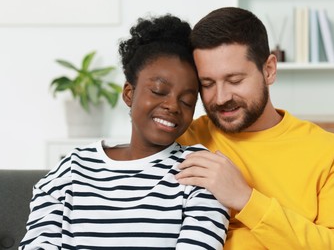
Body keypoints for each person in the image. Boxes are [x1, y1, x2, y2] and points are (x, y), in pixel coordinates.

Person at [19, 14, 229, 249]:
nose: (173, 106)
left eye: (188, 101)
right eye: (159, 91)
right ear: (129, 93)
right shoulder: (71, 168)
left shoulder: (198, 171)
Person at [175, 7, 334, 249]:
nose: (221, 97)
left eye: (235, 80)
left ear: (269, 70)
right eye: (208, 83)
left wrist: (246, 200)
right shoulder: (182, 140)